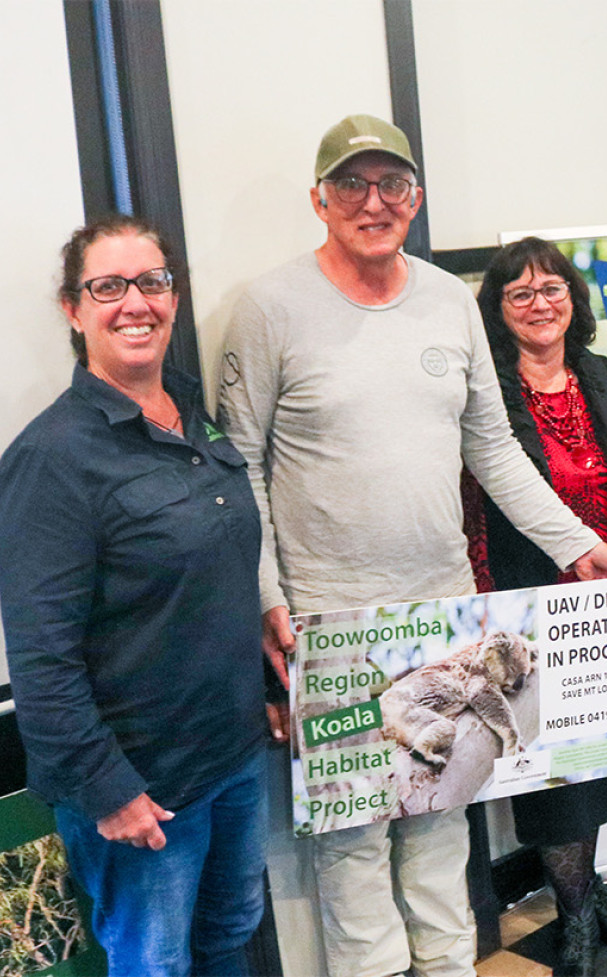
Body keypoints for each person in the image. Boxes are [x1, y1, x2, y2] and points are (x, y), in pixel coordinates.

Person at [217, 115, 607, 977]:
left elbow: (494, 448)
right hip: (328, 622)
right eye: (354, 185)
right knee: (354, 847)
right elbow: (242, 469)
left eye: (392, 185)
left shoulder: (448, 299)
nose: (375, 202)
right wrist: (267, 594)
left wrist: (579, 544)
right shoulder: (269, 307)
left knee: (443, 827)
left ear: (415, 197)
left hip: (444, 608)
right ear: (320, 199)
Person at [0, 215, 274, 975]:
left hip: (231, 755)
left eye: (151, 282)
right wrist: (108, 789)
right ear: (72, 308)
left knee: (231, 931)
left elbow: (213, 582)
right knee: (153, 962)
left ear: (174, 298)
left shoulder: (194, 417)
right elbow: (41, 658)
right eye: (108, 286)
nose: (135, 303)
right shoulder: (52, 458)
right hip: (143, 786)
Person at [463, 236, 607, 977]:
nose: (540, 304)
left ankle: (586, 885)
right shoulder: (489, 396)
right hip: (521, 606)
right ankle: (577, 916)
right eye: (520, 294)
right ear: (499, 310)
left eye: (552, 289)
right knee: (546, 774)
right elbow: (473, 503)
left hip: (605, 602)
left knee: (599, 762)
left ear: (574, 300)